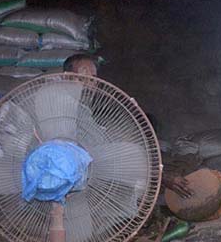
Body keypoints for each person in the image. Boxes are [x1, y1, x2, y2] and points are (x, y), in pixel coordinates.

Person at [61, 55, 192, 198]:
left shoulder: (83, 111)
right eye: (82, 78)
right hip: (70, 189)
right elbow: (99, 157)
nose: (89, 84)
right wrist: (163, 177)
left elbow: (105, 147)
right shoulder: (60, 109)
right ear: (67, 78)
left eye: (93, 78)